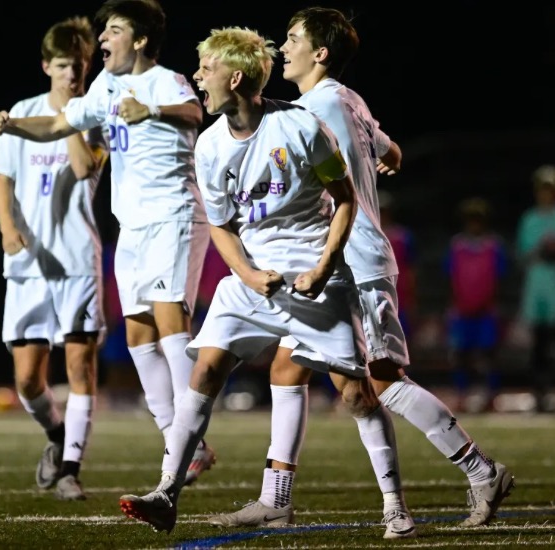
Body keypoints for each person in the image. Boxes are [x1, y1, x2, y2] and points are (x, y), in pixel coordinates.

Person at [208, 8, 514, 535]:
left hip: (349, 264)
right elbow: (390, 150)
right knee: (296, 372)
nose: (283, 47)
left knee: (382, 380)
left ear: (320, 53)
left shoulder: (309, 110)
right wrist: (380, 159)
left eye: (293, 38)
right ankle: (277, 499)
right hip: (335, 265)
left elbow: (345, 174)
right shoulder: (347, 99)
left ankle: (480, 469)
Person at [116, 25, 399, 537]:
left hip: (313, 281)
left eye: (207, 68)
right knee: (204, 371)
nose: (199, 77)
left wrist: (323, 267)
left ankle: (395, 506)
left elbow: (347, 199)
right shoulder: (208, 145)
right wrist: (246, 272)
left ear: (237, 76)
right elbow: (222, 227)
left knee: (357, 395)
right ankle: (166, 492)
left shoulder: (302, 126)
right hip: (250, 281)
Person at [0, 0, 215, 486]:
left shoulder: (164, 81)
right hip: (131, 225)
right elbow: (56, 124)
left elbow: (195, 110)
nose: (103, 38)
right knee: (138, 338)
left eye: (113, 30)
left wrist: (150, 108)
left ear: (141, 40)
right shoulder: (105, 86)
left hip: (172, 214)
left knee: (171, 321)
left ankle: (189, 439)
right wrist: (12, 125)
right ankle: (176, 434)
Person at [0, 16, 108, 500]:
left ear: (87, 66)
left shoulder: (94, 115)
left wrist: (73, 113)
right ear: (45, 66)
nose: (70, 75)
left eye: (78, 66)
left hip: (76, 260)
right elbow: (3, 178)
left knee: (80, 369)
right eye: (62, 67)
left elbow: (83, 166)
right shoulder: (25, 110)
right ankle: (57, 437)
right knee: (27, 379)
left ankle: (72, 469)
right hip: (31, 264)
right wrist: (7, 228)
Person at [516, 164, 555, 413]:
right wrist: (541, 249)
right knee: (539, 344)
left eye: (550, 189)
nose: (546, 193)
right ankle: (539, 394)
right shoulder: (530, 218)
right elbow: (523, 253)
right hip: (537, 285)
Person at [446, 197, 508, 412]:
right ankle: (462, 395)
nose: (474, 224)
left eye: (478, 219)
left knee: (489, 355)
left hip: (486, 311)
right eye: (470, 219)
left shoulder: (493, 246)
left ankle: (491, 396)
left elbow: (499, 279)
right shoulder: (457, 246)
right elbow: (451, 278)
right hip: (462, 311)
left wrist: (495, 305)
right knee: (460, 355)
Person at [378, 189, 418, 341]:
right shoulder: (365, 234)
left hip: (400, 296)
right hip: (374, 294)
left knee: (403, 340)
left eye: (384, 210)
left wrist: (412, 299)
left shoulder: (403, 236)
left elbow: (412, 269)